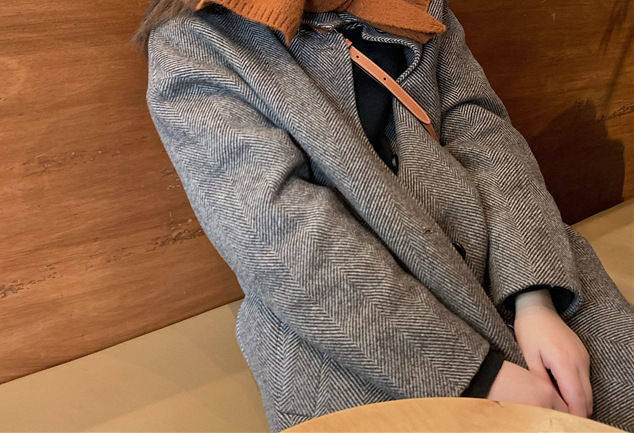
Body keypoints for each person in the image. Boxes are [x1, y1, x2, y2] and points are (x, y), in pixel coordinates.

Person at [131, 1, 634, 432]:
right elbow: (279, 239)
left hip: (508, 262)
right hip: (351, 331)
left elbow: (484, 134)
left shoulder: (417, 5)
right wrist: (472, 376)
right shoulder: (193, 43)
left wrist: (535, 299)